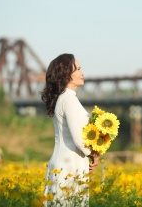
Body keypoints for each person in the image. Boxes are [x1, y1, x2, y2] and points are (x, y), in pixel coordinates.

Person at [41, 53, 99, 206]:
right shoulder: (69, 100)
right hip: (69, 165)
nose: (82, 73)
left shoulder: (64, 98)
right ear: (66, 74)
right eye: (78, 69)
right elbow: (80, 139)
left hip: (63, 162)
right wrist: (95, 154)